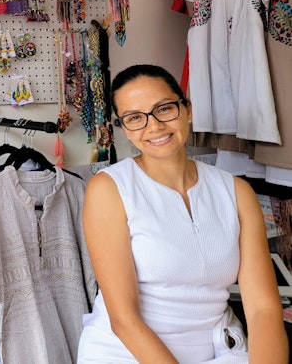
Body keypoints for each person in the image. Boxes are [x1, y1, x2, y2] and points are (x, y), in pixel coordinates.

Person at [77, 63, 287, 363]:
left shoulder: (237, 192)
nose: (154, 126)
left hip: (220, 350)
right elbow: (124, 319)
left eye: (164, 109)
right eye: (135, 118)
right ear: (123, 127)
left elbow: (263, 309)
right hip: (127, 354)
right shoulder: (109, 190)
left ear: (186, 108)